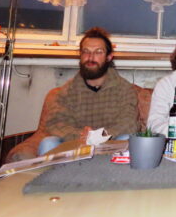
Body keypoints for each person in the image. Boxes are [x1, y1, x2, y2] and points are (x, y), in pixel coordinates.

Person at [40, 27, 139, 155]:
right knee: (48, 143)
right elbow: (55, 123)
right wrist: (81, 135)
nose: (91, 57)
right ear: (80, 55)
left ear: (109, 57)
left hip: (110, 145)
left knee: (128, 139)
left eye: (98, 52)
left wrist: (100, 135)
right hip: (76, 146)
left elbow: (130, 123)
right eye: (86, 52)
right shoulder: (67, 91)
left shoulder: (124, 89)